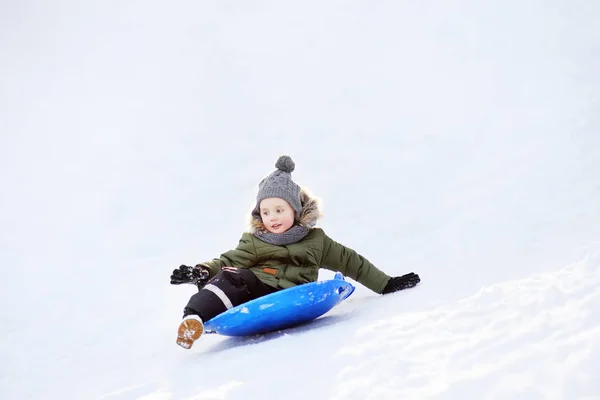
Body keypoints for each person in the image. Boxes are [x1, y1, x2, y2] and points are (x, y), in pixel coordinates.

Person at [170, 155, 420, 349]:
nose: (272, 218)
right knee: (228, 276)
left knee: (231, 277)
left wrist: (385, 284)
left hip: (295, 290)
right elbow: (228, 259)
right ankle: (193, 319)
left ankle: (200, 309)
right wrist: (202, 269)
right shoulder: (256, 241)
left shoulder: (316, 241)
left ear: (296, 210)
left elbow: (350, 261)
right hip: (258, 289)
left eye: (279, 210)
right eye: (266, 212)